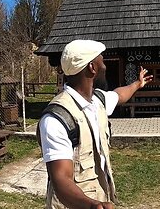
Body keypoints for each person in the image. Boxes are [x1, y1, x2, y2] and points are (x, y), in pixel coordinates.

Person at [37, 39, 153, 209]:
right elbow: (61, 179)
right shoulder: (56, 119)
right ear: (92, 67)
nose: (105, 66)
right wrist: (92, 206)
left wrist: (137, 83)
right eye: (102, 61)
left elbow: (119, 95)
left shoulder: (97, 101)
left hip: (99, 199)